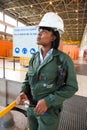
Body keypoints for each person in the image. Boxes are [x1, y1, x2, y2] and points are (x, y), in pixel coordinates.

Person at [16, 12, 78, 130]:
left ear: (53, 37)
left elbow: (72, 87)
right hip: (31, 108)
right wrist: (23, 91)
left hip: (49, 112)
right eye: (39, 30)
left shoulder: (63, 60)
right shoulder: (34, 57)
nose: (39, 33)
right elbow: (27, 80)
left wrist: (48, 101)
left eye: (44, 31)